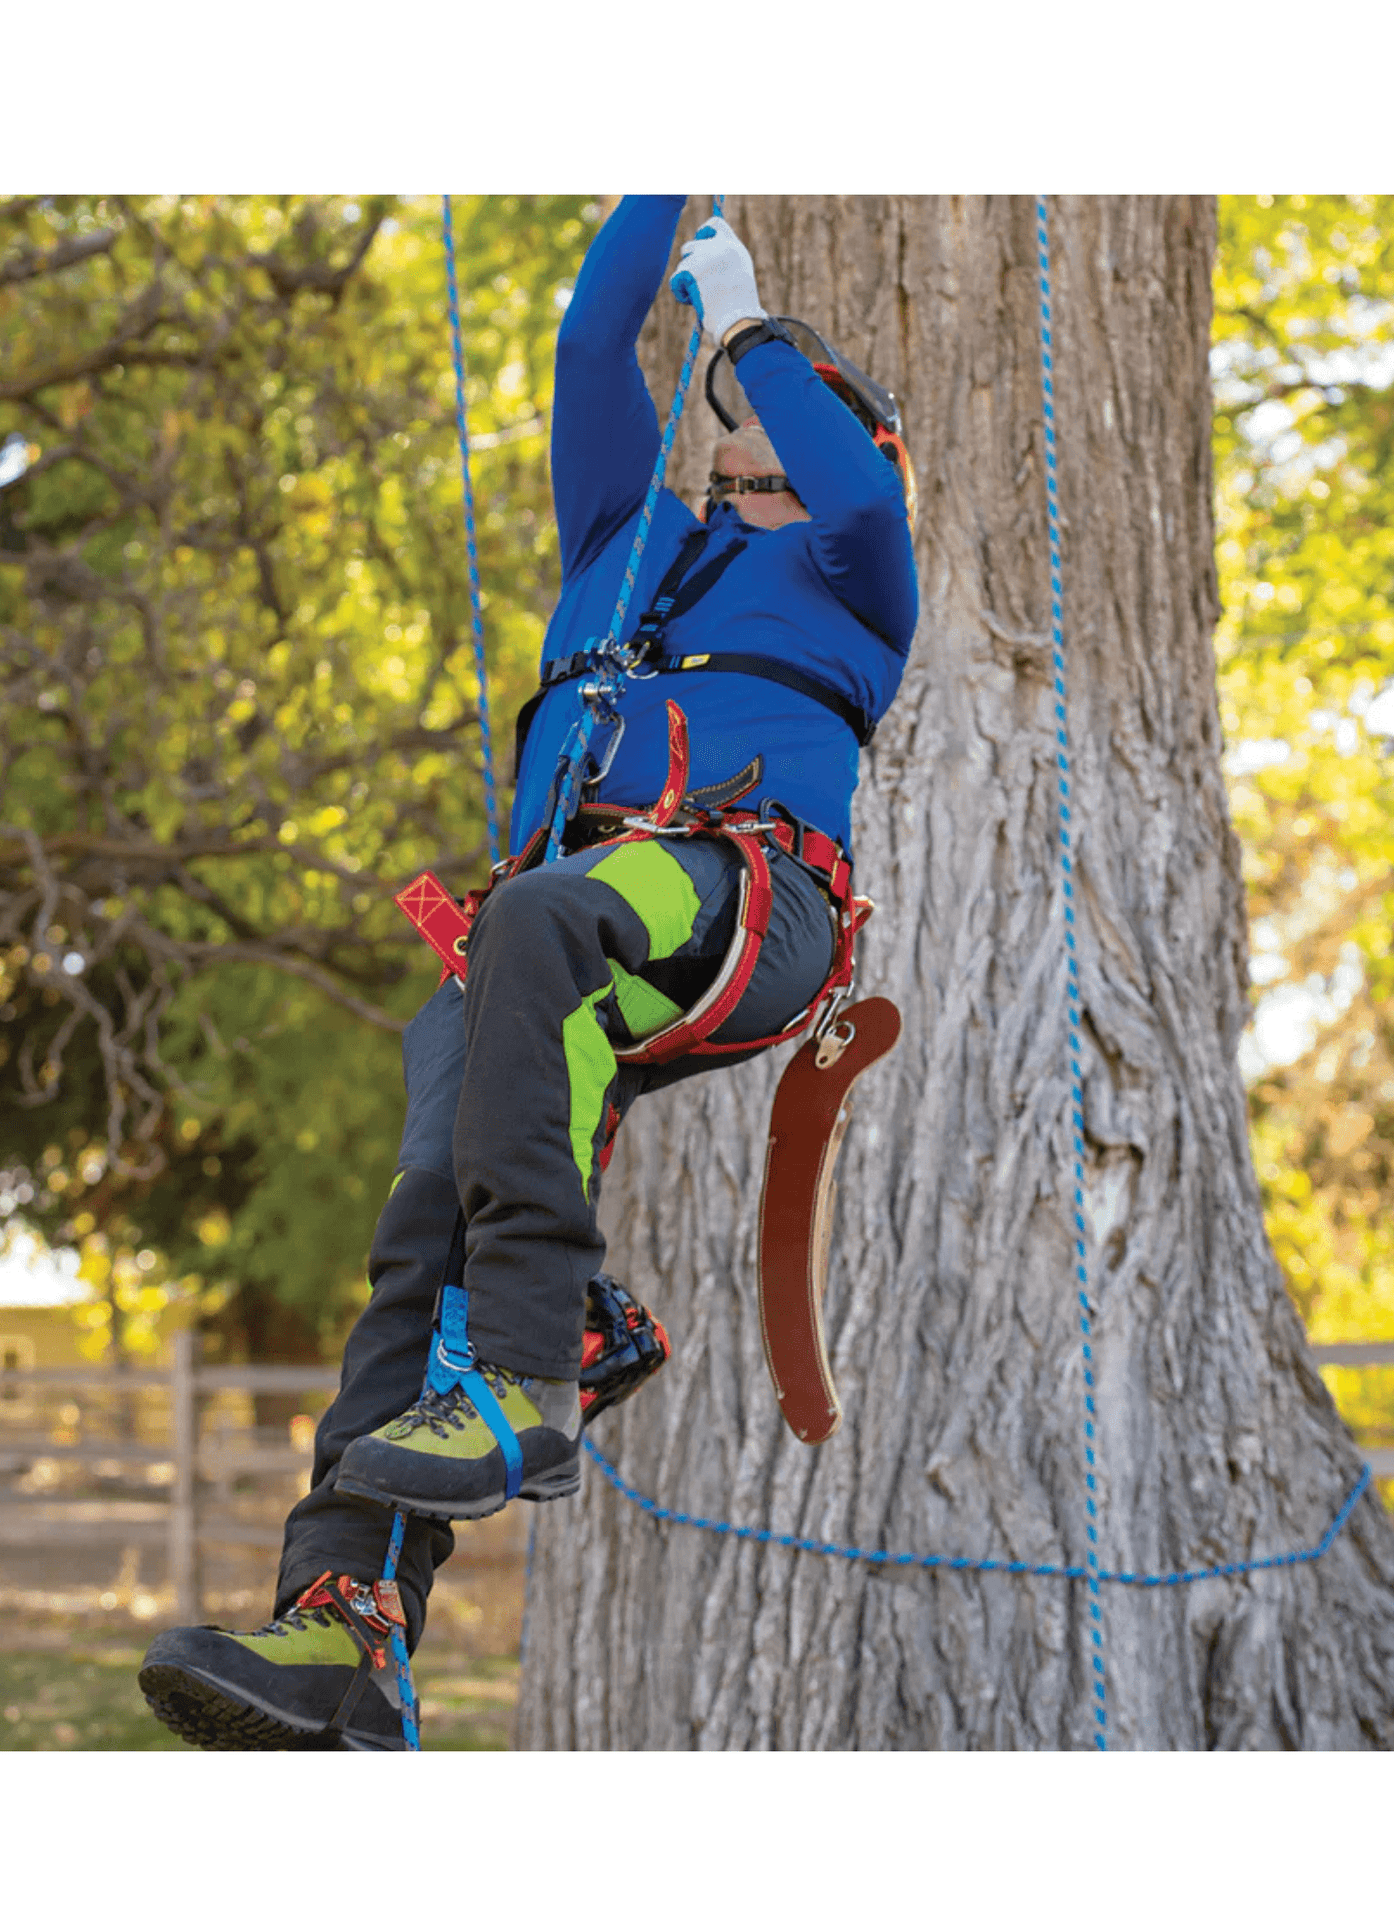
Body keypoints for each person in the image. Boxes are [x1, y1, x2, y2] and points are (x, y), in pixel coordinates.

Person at [138, 197, 919, 1750]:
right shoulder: (626, 543)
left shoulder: (858, 570)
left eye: (779, 408)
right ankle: (345, 1627)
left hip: (740, 895)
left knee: (549, 914)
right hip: (549, 932)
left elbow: (847, 480)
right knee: (423, 1229)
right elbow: (587, 337)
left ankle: (525, 1364)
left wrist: (749, 324)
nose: (740, 421)